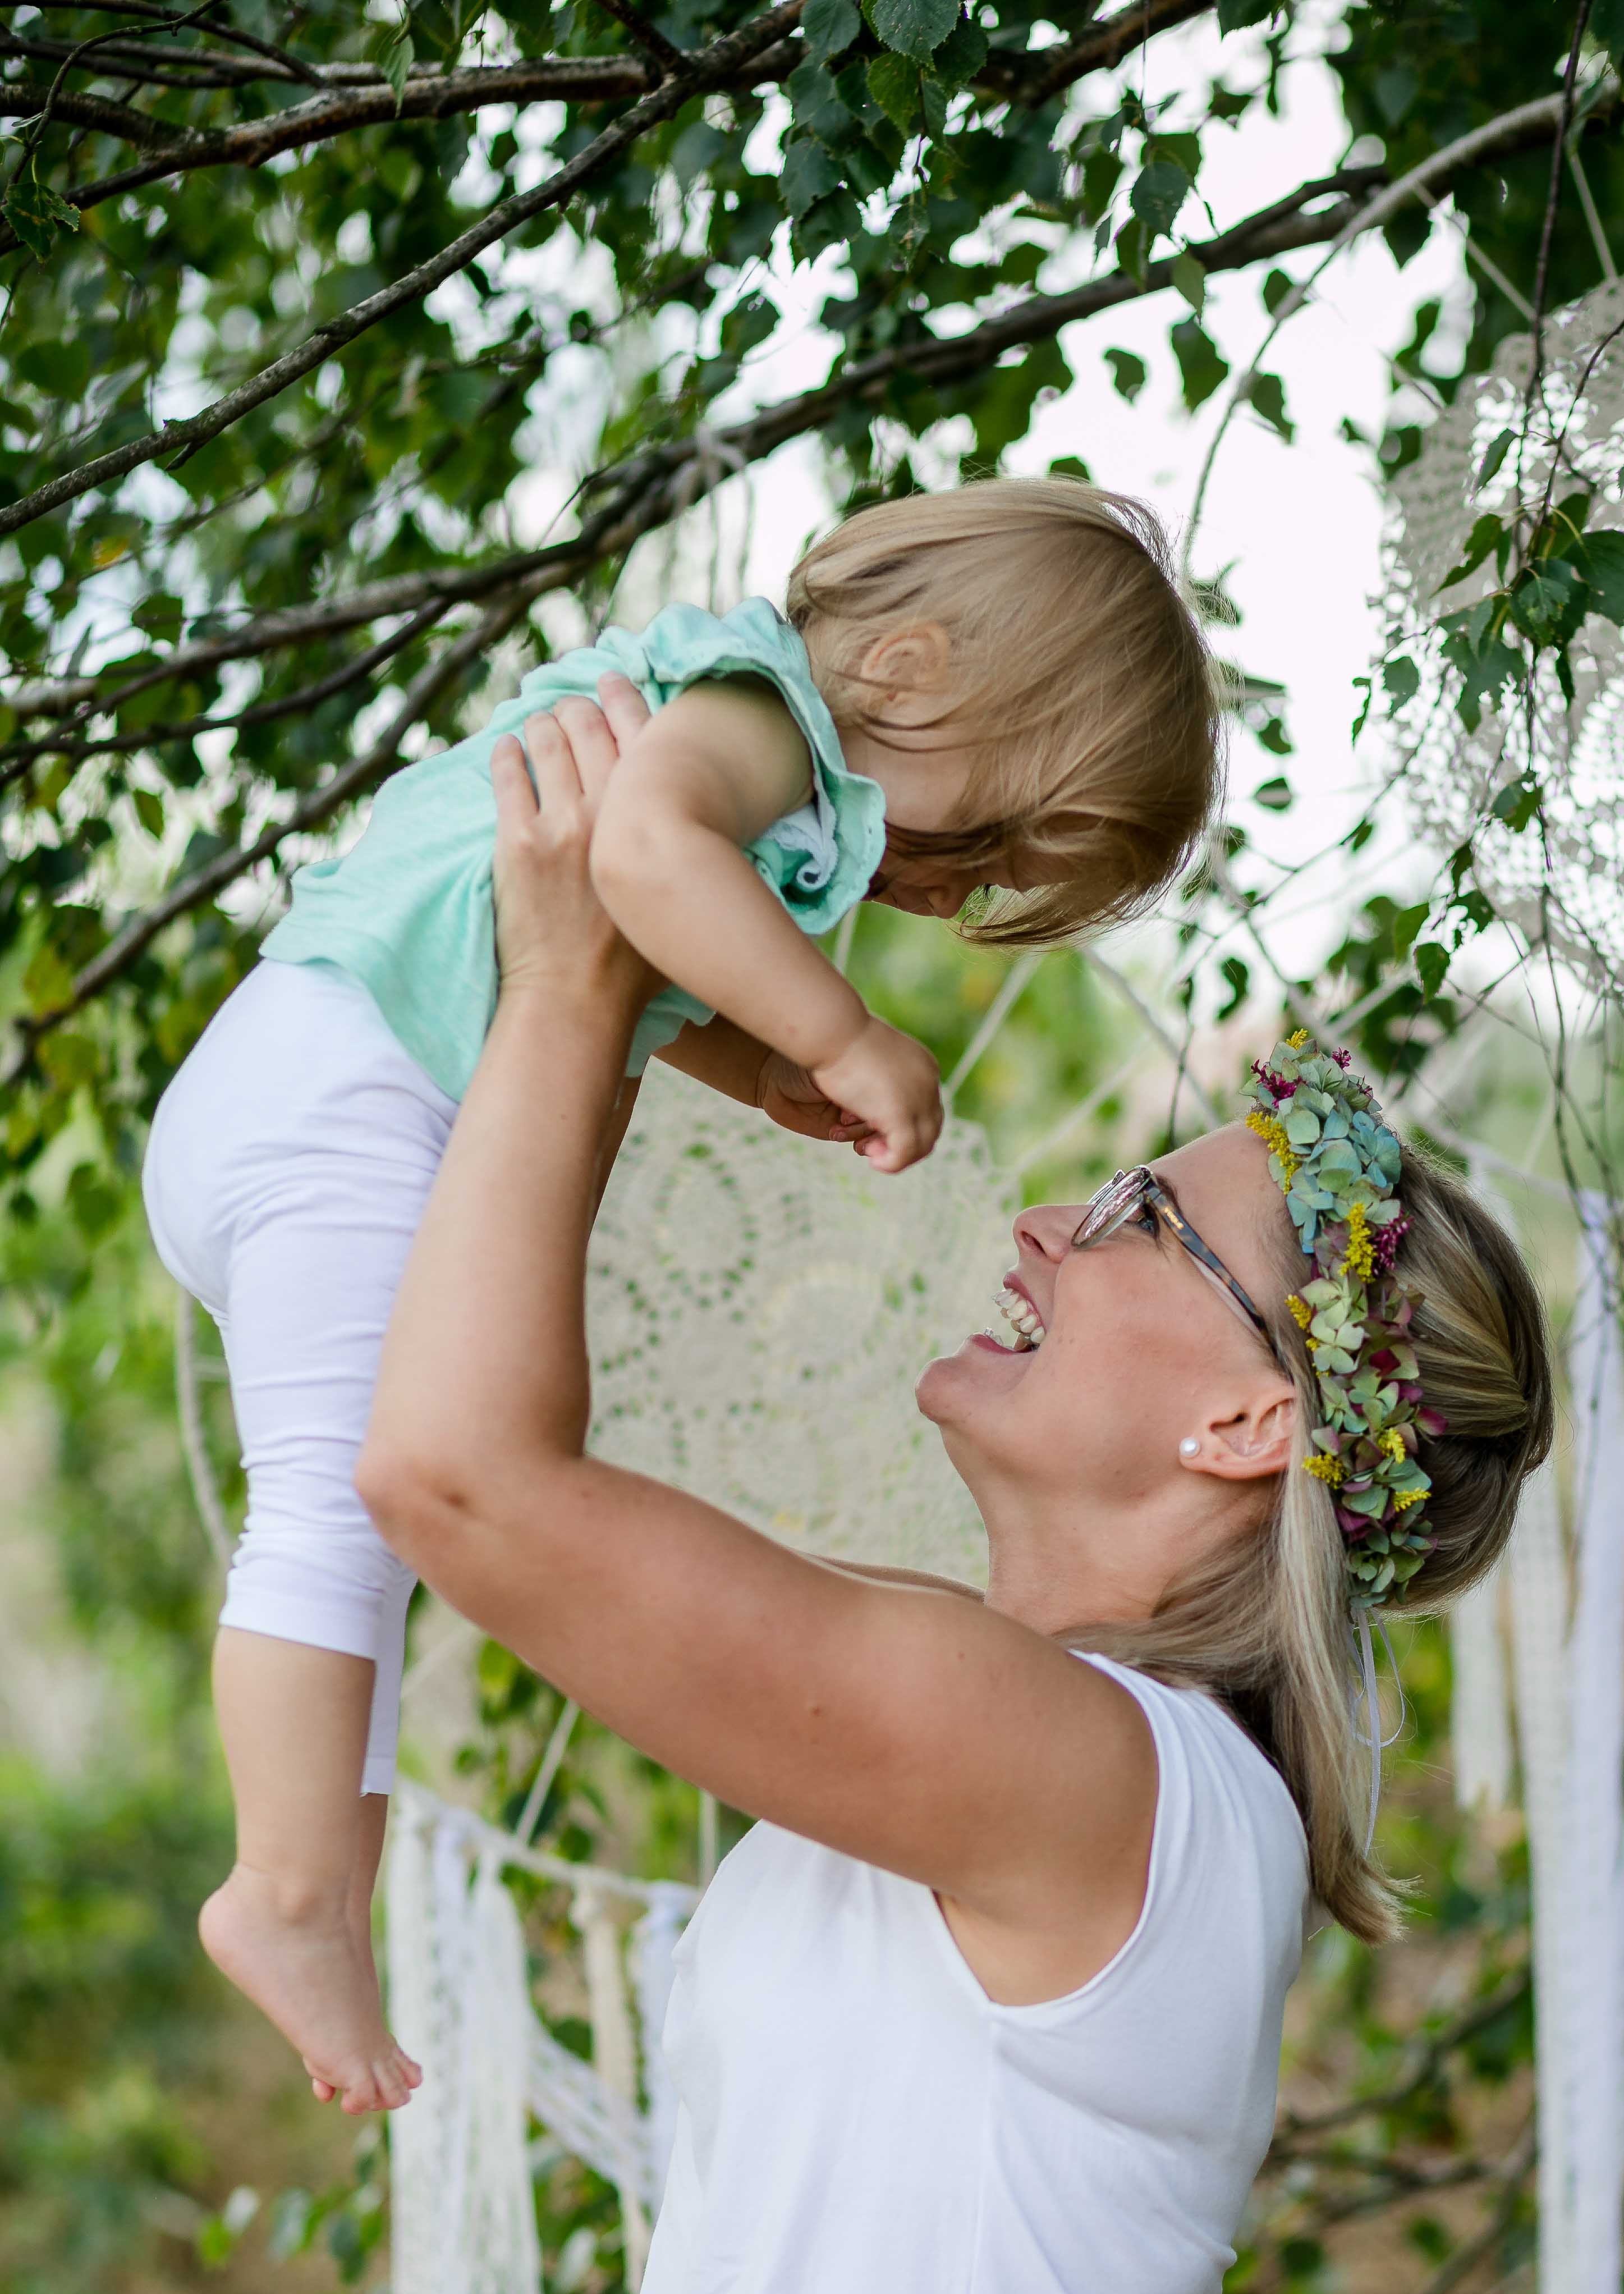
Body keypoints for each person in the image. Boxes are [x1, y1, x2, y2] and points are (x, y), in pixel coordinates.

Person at [354, 688, 1556, 2294]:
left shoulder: (1102, 1781)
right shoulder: (1018, 1722)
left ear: (1248, 1425)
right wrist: (636, 992)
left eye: (1137, 1227)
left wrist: (571, 991)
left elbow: (461, 1482)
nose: (1040, 1228)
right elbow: (502, 1459)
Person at [140, 479, 1220, 2114]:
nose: (952, 891)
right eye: (976, 840)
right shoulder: (761, 711)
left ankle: (316, 1900)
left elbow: (639, 938)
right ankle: (283, 1894)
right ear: (913, 669)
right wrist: (835, 1033)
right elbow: (637, 853)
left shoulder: (762, 753)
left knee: (362, 1555)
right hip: (345, 1088)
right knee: (332, 1514)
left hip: (322, 1087)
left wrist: (748, 1063)